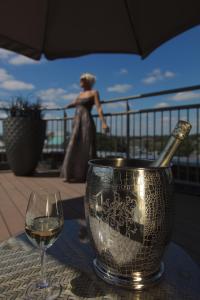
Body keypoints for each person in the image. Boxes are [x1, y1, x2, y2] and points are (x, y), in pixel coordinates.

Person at [60, 73, 109, 182]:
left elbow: (99, 108)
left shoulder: (94, 92)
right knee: (74, 145)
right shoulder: (80, 94)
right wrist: (67, 106)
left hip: (86, 121)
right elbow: (74, 103)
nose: (80, 80)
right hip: (76, 121)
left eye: (82, 79)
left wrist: (104, 123)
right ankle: (70, 174)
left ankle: (86, 174)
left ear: (88, 81)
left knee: (86, 145)